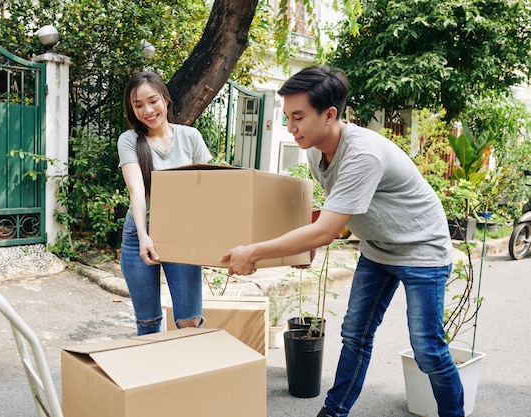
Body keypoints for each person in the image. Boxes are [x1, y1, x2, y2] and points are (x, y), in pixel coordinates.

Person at [220, 65, 464, 417]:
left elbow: (327, 228)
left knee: (428, 348)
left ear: (330, 114)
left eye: (298, 117)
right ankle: (333, 413)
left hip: (422, 250)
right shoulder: (315, 151)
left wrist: (254, 252)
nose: (291, 128)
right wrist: (309, 243)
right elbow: (337, 212)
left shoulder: (362, 153)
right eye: (287, 117)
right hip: (378, 249)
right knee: (355, 335)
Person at [118, 71, 212, 335]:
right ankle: (155, 375)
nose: (147, 110)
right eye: (138, 105)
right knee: (148, 322)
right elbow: (137, 191)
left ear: (166, 100)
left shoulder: (191, 137)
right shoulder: (129, 141)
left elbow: (207, 190)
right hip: (140, 232)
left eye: (153, 101)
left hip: (181, 231)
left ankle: (186, 376)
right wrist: (144, 235)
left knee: (189, 321)